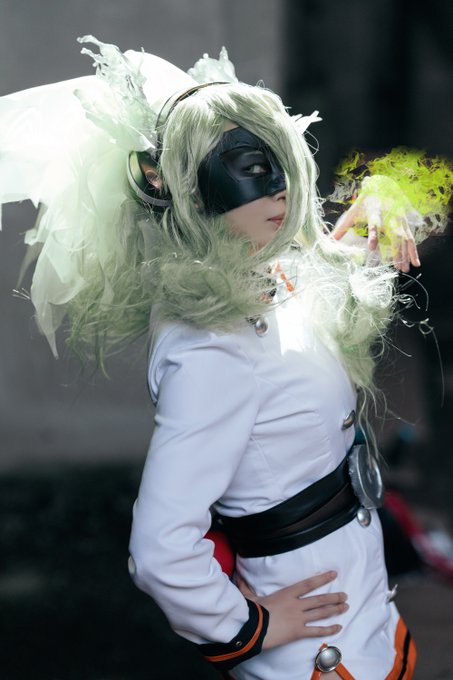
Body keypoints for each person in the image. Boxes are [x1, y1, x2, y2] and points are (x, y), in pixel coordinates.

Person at [3, 36, 449, 679]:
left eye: (281, 160)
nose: (279, 187)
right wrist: (247, 627)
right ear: (188, 189)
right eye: (249, 165)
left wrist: (381, 199)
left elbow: (324, 296)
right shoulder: (210, 348)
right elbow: (160, 548)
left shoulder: (267, 278)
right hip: (313, 648)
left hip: (360, 604)